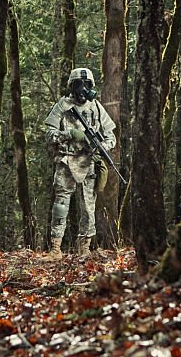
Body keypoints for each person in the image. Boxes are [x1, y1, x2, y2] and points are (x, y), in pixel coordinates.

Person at [43, 67, 116, 259]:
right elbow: (49, 134)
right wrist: (69, 134)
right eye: (78, 84)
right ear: (71, 86)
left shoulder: (96, 107)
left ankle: (84, 248)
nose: (82, 89)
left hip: (89, 161)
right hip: (67, 160)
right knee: (61, 204)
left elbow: (111, 138)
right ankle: (55, 249)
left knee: (88, 207)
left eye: (86, 85)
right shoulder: (63, 106)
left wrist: (100, 148)